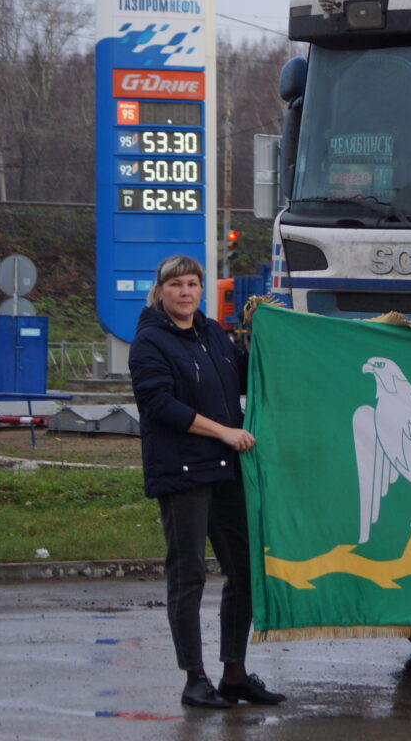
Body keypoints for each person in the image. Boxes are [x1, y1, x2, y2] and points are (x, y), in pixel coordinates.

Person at [130, 254, 287, 710]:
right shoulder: (149, 343)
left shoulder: (212, 334)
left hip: (224, 468)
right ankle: (194, 679)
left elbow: (243, 372)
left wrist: (268, 332)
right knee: (189, 574)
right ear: (160, 292)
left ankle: (234, 673)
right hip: (182, 472)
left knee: (244, 570)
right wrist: (223, 432)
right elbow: (160, 407)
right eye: (176, 284)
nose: (186, 292)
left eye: (193, 284)